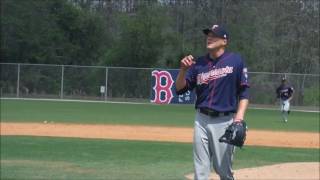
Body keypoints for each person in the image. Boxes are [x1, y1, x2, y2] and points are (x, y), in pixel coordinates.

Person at [175, 24, 249, 180]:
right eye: (208, 34)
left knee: (223, 171)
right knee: (200, 171)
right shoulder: (199, 64)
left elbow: (244, 92)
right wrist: (182, 70)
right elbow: (180, 89)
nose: (209, 37)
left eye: (214, 35)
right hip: (201, 120)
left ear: (224, 41)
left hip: (224, 121)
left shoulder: (235, 61)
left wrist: (239, 118)